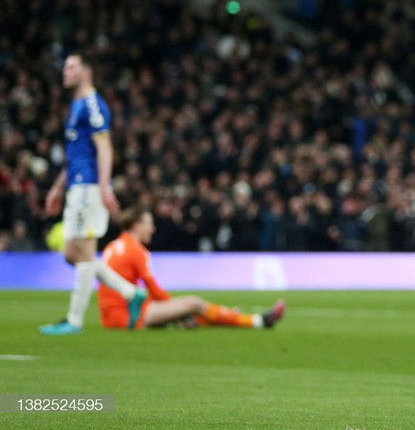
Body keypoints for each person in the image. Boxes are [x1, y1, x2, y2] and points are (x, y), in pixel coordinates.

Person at [39, 53, 147, 335]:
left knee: (83, 252)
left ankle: (74, 321)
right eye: (64, 67)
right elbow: (76, 154)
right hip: (76, 183)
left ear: (86, 72)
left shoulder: (92, 105)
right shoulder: (75, 105)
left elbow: (105, 147)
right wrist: (57, 188)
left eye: (71, 67)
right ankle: (130, 292)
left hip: (88, 186)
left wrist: (103, 186)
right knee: (71, 253)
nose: (65, 72)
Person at [99, 205, 286, 330]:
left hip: (110, 315)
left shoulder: (113, 246)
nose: (153, 229)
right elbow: (154, 291)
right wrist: (178, 309)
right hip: (126, 316)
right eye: (149, 223)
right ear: (137, 225)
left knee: (188, 311)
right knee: (193, 304)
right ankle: (255, 321)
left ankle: (229, 317)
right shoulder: (136, 250)